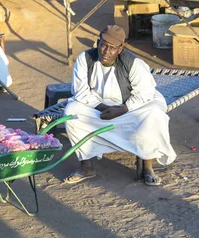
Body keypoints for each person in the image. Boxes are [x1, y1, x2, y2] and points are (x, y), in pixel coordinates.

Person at [63, 25, 177, 186]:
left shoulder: (133, 63)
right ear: (97, 42)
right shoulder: (85, 58)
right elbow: (80, 92)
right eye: (103, 45)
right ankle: (86, 166)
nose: (106, 51)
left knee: (154, 115)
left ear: (120, 49)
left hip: (130, 107)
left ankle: (147, 166)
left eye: (112, 48)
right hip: (98, 107)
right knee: (72, 111)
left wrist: (122, 110)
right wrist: (102, 108)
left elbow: (145, 93)